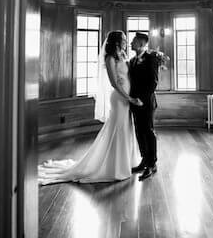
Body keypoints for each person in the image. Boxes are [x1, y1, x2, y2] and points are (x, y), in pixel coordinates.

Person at [37, 31, 141, 185]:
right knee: (118, 130)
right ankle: (114, 168)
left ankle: (127, 163)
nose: (126, 41)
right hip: (120, 99)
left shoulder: (124, 55)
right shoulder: (110, 58)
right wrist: (129, 98)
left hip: (127, 99)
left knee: (126, 129)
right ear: (117, 41)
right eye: (124, 39)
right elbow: (114, 83)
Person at [128, 32, 160, 181]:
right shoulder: (133, 60)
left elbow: (153, 82)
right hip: (134, 104)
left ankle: (152, 164)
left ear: (141, 44)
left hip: (146, 103)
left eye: (133, 41)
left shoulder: (151, 58)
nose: (131, 43)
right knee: (139, 132)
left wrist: (141, 99)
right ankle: (144, 160)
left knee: (148, 131)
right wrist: (132, 100)